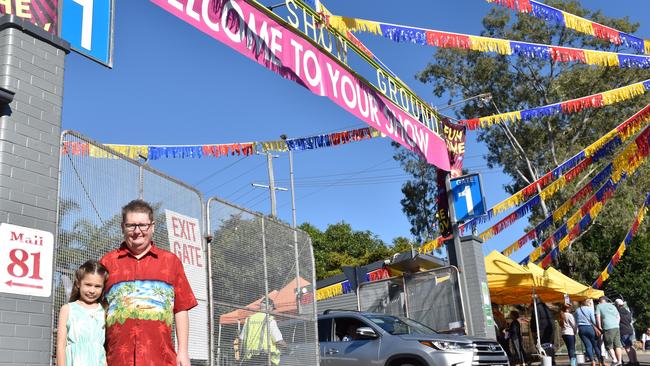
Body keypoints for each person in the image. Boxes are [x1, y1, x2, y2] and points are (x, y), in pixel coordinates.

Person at [100, 199, 197, 366]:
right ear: (122, 227)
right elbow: (96, 309)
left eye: (143, 225)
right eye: (131, 225)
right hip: (116, 359)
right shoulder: (107, 263)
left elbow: (181, 308)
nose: (137, 231)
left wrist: (183, 351)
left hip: (160, 358)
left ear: (152, 226)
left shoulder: (171, 262)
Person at [56, 260, 109, 366]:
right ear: (79, 283)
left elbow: (105, 350)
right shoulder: (67, 309)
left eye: (97, 286)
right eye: (88, 284)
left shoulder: (104, 311)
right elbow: (60, 346)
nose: (92, 290)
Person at [239, 297, 286, 365]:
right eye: (272, 309)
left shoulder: (249, 320)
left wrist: (241, 357)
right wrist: (287, 348)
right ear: (270, 307)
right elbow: (278, 341)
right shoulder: (270, 320)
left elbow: (241, 340)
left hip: (250, 360)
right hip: (266, 360)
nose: (272, 311)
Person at [596, 296, 623, 366]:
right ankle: (619, 361)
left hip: (608, 327)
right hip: (616, 327)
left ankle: (614, 360)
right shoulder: (612, 306)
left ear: (600, 301)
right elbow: (618, 316)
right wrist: (616, 323)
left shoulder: (599, 306)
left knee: (608, 345)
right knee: (617, 345)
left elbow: (598, 316)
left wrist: (599, 326)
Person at [576, 298, 603, 366]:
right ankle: (600, 361)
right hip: (590, 328)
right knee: (596, 345)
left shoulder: (577, 310)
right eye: (589, 303)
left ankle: (592, 361)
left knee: (588, 346)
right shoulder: (589, 309)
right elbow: (593, 320)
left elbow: (576, 321)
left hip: (581, 328)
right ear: (587, 303)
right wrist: (597, 327)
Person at [530, 298, 555, 365]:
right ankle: (552, 361)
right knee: (550, 346)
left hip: (542, 330)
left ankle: (546, 362)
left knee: (543, 346)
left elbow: (535, 320)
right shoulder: (546, 308)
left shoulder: (536, 308)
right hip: (550, 330)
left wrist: (534, 331)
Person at [615, 299, 639, 366]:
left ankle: (632, 362)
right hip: (630, 329)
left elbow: (617, 320)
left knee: (627, 346)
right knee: (631, 346)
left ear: (617, 305)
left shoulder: (617, 311)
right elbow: (630, 320)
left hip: (623, 330)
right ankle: (635, 361)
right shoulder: (627, 311)